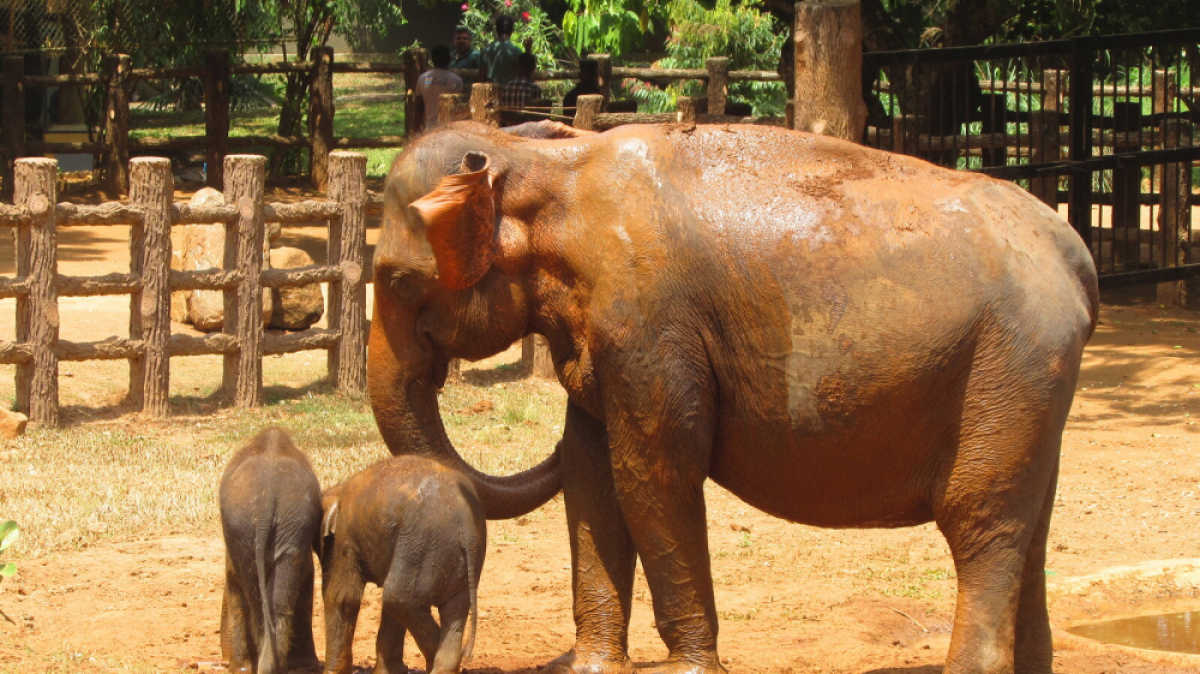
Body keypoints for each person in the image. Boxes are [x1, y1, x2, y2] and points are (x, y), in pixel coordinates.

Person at [416, 45, 463, 130]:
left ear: (432, 60)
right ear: (449, 60)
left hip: (427, 126)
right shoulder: (456, 80)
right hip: (448, 127)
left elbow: (419, 105)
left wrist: (417, 126)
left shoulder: (422, 78)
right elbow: (457, 107)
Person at [479, 15, 522, 85]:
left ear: (496, 30)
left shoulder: (486, 50)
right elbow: (522, 76)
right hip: (510, 90)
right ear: (511, 31)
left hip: (491, 90)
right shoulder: (516, 51)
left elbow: (481, 77)